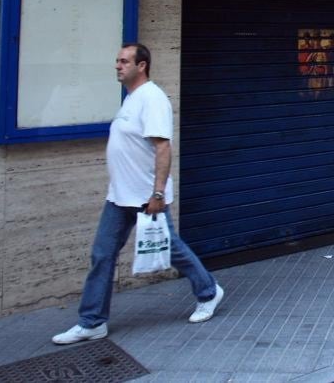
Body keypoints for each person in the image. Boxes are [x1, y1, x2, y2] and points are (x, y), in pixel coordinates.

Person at [53, 43, 224, 345]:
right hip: (119, 196)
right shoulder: (130, 99)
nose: (117, 66)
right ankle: (92, 322)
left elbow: (163, 147)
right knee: (102, 255)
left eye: (124, 61)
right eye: (116, 61)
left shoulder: (151, 98)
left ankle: (209, 291)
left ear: (141, 65)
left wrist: (157, 192)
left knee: (172, 250)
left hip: (145, 197)